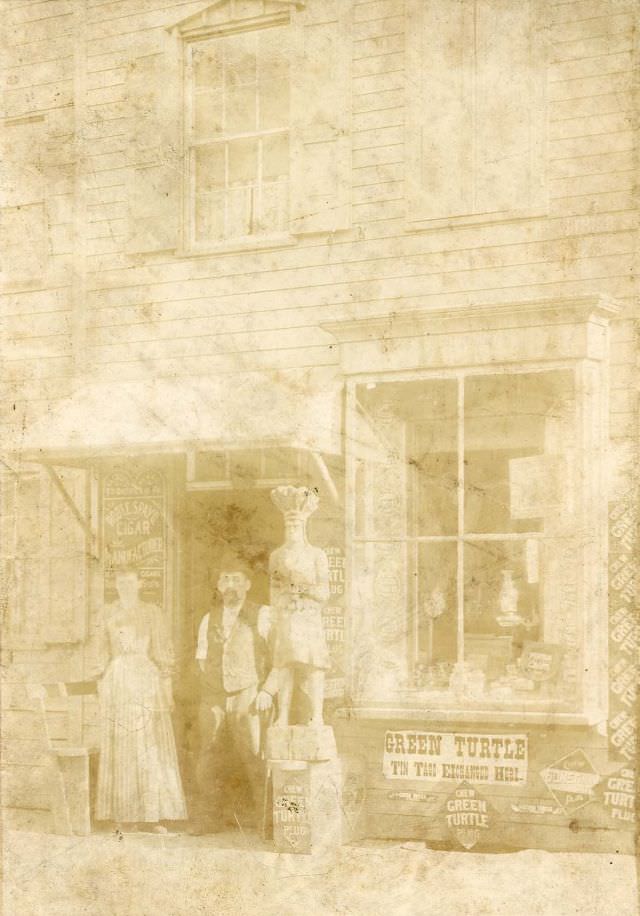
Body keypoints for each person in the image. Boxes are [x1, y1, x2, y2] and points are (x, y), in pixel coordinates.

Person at [94, 566, 187, 833]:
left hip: (147, 679)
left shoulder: (152, 613)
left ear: (140, 583)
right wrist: (102, 687)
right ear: (116, 585)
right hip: (118, 680)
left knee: (150, 745)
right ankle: (124, 815)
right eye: (120, 582)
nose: (125, 586)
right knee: (123, 745)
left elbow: (162, 652)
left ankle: (152, 815)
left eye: (130, 581)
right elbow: (100, 653)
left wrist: (167, 691)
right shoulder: (107, 613)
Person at [193, 554, 275, 834]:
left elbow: (275, 657)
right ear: (217, 585)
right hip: (215, 695)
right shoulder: (209, 618)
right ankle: (208, 819)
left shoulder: (262, 614)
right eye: (225, 579)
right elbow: (203, 660)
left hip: (248, 692)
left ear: (248, 584)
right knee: (209, 755)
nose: (231, 585)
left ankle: (266, 821)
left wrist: (265, 690)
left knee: (253, 753)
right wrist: (217, 689)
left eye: (237, 580)